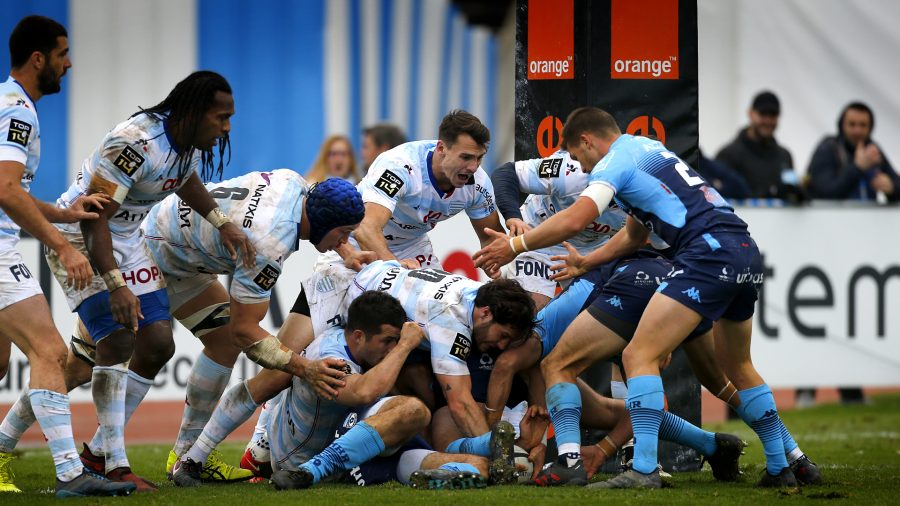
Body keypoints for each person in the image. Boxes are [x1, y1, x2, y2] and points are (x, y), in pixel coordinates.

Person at [474, 106, 810, 488]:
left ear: (586, 141)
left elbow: (574, 220)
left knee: (632, 357)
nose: (580, 167)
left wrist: (515, 245)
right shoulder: (646, 150)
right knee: (735, 369)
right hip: (743, 248)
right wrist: (586, 262)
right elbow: (635, 234)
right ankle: (786, 465)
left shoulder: (611, 164)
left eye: (577, 155)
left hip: (701, 257)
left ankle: (643, 469)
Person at [40, 70, 253, 491]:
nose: (227, 128)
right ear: (193, 112)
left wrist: (221, 221)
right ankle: (111, 463)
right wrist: (117, 285)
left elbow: (184, 178)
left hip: (127, 238)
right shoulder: (134, 144)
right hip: (80, 238)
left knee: (157, 343)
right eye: (221, 117)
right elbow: (94, 218)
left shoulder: (188, 142)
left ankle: (100, 455)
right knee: (117, 341)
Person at [0, 15, 134, 497]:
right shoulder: (17, 110)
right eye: (62, 54)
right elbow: (6, 190)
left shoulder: (9, 103)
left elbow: (11, 190)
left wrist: (63, 215)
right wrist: (61, 244)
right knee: (52, 353)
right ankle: (69, 473)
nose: (69, 63)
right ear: (39, 60)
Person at [171, 291, 429, 489]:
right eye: (387, 341)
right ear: (359, 336)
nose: (392, 348)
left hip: (309, 431)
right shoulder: (332, 359)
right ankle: (278, 455)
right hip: (300, 461)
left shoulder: (330, 330)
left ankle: (249, 446)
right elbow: (364, 393)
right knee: (412, 412)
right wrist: (405, 345)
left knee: (283, 372)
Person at [491, 150, 669, 310]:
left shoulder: (651, 199)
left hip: (591, 249)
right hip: (537, 238)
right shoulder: (572, 170)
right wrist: (513, 218)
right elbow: (506, 173)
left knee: (606, 315)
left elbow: (660, 248)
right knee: (528, 312)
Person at [350, 109, 503, 270]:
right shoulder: (399, 166)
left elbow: (491, 239)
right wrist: (395, 268)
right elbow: (366, 228)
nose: (473, 167)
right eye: (465, 157)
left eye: (479, 157)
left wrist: (500, 259)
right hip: (354, 239)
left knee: (444, 295)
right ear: (441, 148)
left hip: (411, 245)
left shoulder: (479, 183)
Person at [715, 91, 803, 202]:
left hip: (780, 219)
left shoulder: (784, 156)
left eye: (773, 115)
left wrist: (799, 193)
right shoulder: (728, 155)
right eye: (763, 114)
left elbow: (792, 192)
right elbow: (718, 199)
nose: (768, 120)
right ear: (750, 113)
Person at [806, 101, 900, 202]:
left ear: (870, 128)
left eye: (863, 125)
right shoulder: (828, 148)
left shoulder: (872, 150)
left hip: (869, 215)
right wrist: (857, 168)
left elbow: (896, 183)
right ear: (842, 125)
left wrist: (892, 188)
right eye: (852, 124)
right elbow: (825, 192)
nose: (857, 131)